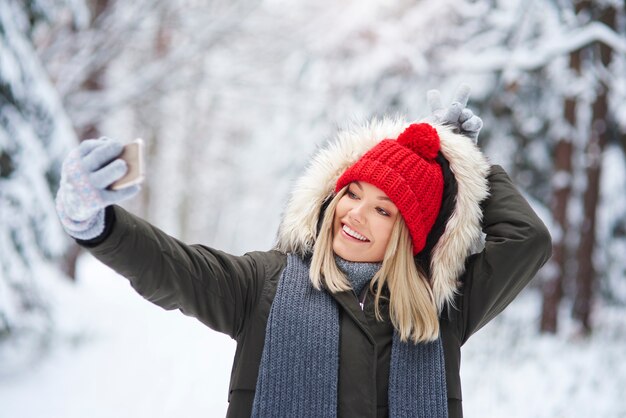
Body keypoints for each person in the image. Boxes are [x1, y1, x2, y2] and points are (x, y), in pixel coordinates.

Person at [55, 86, 552, 418]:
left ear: (407, 236)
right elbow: (174, 269)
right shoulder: (264, 284)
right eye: (352, 193)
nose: (355, 214)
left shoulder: (439, 310)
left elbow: (527, 240)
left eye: (383, 211)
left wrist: (465, 162)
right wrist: (97, 225)